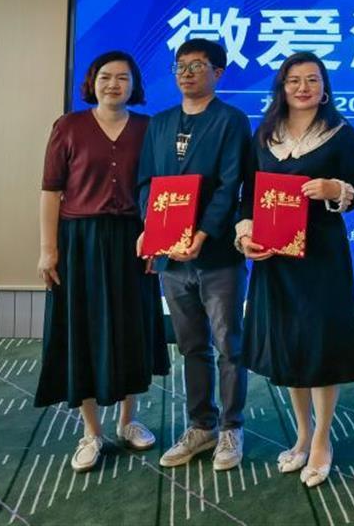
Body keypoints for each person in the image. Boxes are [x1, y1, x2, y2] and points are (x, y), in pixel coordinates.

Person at [35, 51, 169, 472]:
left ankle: (129, 421)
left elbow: (160, 190)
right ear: (92, 82)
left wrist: (157, 240)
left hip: (134, 239)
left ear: (134, 85)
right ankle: (90, 431)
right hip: (80, 241)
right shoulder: (68, 126)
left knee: (132, 327)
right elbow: (51, 191)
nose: (114, 84)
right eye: (106, 77)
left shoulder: (148, 128)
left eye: (123, 78)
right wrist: (48, 249)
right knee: (83, 329)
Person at [237, 52, 354, 487]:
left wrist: (333, 189)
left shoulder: (341, 133)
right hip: (277, 257)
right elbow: (248, 196)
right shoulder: (264, 134)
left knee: (320, 345)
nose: (303, 87)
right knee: (290, 345)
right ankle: (303, 434)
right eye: (294, 80)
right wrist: (245, 236)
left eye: (312, 79)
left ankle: (323, 439)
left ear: (324, 87)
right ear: (282, 86)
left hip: (322, 258)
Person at [136, 39, 251, 472]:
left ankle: (232, 427)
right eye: (180, 66)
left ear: (218, 73)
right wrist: (153, 229)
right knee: (191, 346)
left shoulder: (231, 120)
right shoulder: (161, 123)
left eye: (197, 65)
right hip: (172, 258)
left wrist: (202, 232)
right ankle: (201, 425)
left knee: (228, 345)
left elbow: (231, 185)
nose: (186, 73)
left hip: (217, 254)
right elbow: (146, 182)